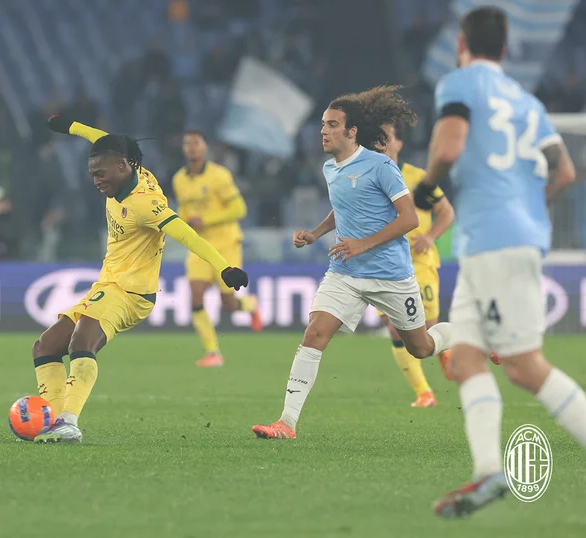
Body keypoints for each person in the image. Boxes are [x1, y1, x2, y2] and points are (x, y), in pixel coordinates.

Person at [413, 7, 585, 518]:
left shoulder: (459, 83)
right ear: (505, 49)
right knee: (465, 360)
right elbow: (564, 172)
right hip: (500, 239)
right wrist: (528, 210)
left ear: (462, 44)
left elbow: (450, 145)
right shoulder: (527, 101)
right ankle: (489, 470)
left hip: (493, 240)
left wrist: (427, 185)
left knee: (524, 368)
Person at [251, 86, 456, 440]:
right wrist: (315, 234)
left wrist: (363, 243)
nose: (323, 131)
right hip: (346, 272)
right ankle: (286, 422)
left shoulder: (381, 166)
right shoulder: (330, 168)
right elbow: (342, 207)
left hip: (391, 275)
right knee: (315, 333)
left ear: (352, 131)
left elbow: (410, 219)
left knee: (421, 347)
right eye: (322, 124)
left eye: (332, 124)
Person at [31, 113, 249, 443]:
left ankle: (68, 422)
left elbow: (186, 234)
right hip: (108, 284)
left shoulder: (145, 204)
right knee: (45, 346)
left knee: (82, 342)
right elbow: (100, 138)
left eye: (100, 174)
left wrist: (224, 267)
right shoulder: (123, 162)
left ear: (122, 166)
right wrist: (70, 127)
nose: (96, 181)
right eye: (92, 174)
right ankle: (51, 420)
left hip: (132, 292)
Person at [376, 121, 456, 407]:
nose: (381, 143)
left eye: (386, 138)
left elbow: (446, 212)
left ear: (399, 144)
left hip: (419, 264)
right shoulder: (369, 176)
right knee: (395, 329)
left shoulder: (418, 178)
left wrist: (430, 237)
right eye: (377, 138)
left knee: (425, 330)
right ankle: (424, 392)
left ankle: (446, 347)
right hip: (385, 266)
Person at [172, 130, 262, 367]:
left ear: (205, 147)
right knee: (196, 296)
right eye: (187, 143)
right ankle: (213, 352)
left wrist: (207, 220)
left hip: (225, 244)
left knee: (228, 304)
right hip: (199, 246)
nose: (191, 147)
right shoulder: (179, 179)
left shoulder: (219, 176)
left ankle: (250, 305)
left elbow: (239, 209)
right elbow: (183, 211)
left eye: (196, 143)